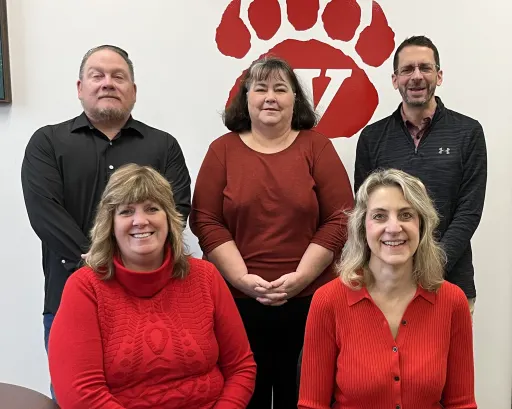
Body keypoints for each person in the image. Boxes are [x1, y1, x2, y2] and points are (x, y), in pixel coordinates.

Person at [20, 44, 191, 397]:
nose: (107, 83)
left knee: (156, 395)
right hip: (69, 298)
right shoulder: (48, 143)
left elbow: (175, 211)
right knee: (77, 397)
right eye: (97, 76)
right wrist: (102, 263)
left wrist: (130, 265)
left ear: (133, 91)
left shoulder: (164, 146)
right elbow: (44, 212)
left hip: (153, 301)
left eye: (118, 77)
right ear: (80, 87)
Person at [189, 56, 354, 409]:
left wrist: (300, 278)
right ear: (244, 98)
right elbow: (205, 219)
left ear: (296, 100)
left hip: (312, 302)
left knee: (306, 396)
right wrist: (243, 278)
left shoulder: (317, 147)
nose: (270, 97)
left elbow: (341, 218)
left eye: (281, 89)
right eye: (260, 88)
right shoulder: (222, 151)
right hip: (236, 303)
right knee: (247, 395)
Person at [48, 164, 256, 409]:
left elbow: (241, 368)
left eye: (152, 209)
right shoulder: (85, 288)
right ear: (110, 225)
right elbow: (81, 394)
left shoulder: (205, 276)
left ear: (168, 218)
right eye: (126, 212)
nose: (140, 221)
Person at [298, 169, 476, 409]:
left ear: (422, 226)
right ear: (363, 227)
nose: (394, 228)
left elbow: (461, 404)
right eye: (380, 216)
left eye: (406, 215)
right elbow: (312, 405)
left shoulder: (453, 301)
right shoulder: (328, 300)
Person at [354, 35, 486, 314]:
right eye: (407, 70)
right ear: (394, 79)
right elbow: (365, 213)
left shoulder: (468, 133)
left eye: (424, 68)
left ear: (438, 76)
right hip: (385, 285)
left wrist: (431, 262)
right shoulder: (372, 138)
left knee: (450, 360)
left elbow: (469, 211)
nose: (416, 77)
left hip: (450, 281)